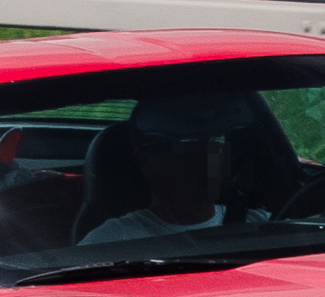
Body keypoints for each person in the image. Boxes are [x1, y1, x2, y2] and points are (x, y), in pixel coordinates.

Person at [79, 94, 272, 246]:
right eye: (185, 150)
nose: (202, 161)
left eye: (212, 145)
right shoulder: (110, 240)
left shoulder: (260, 225)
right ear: (147, 163)